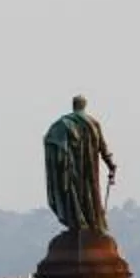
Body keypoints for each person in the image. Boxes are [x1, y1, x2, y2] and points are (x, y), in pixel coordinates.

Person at [42, 96, 117, 235]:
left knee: (74, 195)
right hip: (89, 171)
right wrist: (111, 165)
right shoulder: (93, 124)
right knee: (89, 196)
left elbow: (50, 140)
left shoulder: (63, 123)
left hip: (72, 169)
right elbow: (103, 147)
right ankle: (87, 224)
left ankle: (80, 224)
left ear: (73, 105)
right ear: (84, 106)